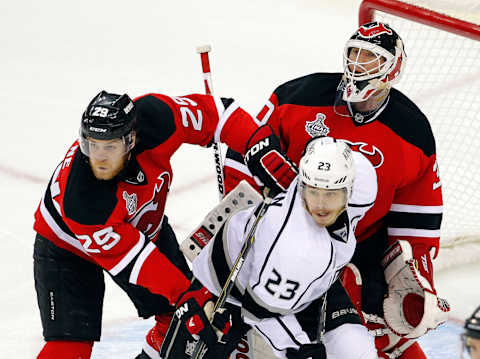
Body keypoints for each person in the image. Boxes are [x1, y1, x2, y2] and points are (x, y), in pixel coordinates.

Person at [221, 21, 450, 358]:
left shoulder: (412, 132)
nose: (358, 65)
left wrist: (414, 275)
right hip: (287, 230)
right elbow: (247, 149)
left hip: (362, 245)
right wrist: (246, 216)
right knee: (251, 324)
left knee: (384, 338)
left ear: (393, 69)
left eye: (371, 58)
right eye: (354, 54)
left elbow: (417, 215)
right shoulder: (297, 97)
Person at [32, 90, 297, 359]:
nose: (98, 157)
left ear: (130, 139)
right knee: (69, 346)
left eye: (109, 146)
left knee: (180, 323)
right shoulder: (82, 199)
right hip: (66, 247)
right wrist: (185, 293)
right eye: (92, 145)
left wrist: (256, 142)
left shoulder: (157, 117)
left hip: (143, 226)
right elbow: (138, 262)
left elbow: (217, 114)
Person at [159, 136, 379, 359]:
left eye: (331, 194)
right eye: (314, 192)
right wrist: (299, 349)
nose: (321, 205)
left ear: (350, 188)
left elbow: (321, 145)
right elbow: (260, 313)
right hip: (232, 288)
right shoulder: (297, 246)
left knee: (358, 353)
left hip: (313, 285)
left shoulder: (363, 177)